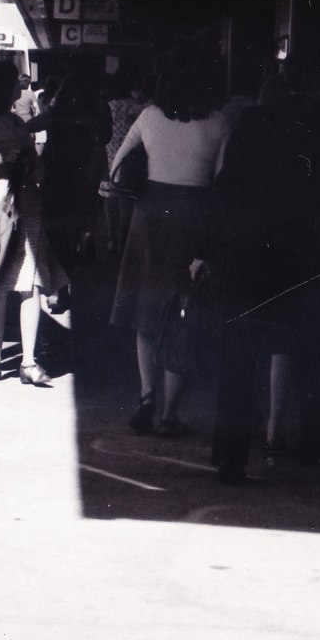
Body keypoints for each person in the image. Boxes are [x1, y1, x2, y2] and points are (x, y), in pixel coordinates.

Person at [206, 74, 320, 484]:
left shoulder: (248, 125)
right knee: (306, 350)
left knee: (237, 356)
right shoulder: (314, 127)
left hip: (247, 254)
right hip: (295, 254)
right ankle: (312, 441)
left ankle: (230, 456)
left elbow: (224, 189)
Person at [108, 65, 230, 437]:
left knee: (146, 310)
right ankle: (169, 416)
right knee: (183, 315)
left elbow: (117, 167)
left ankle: (147, 397)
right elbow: (222, 179)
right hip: (195, 217)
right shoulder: (220, 123)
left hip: (150, 217)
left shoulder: (149, 116)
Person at [0, 59, 66, 387]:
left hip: (27, 206)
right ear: (3, 89)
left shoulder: (19, 124)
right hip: (0, 210)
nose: (20, 88)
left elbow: (37, 166)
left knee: (29, 284)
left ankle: (28, 362)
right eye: (14, 83)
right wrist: (1, 161)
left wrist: (35, 167)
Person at [29, 73, 107, 268]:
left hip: (54, 172)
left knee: (55, 221)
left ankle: (59, 265)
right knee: (80, 214)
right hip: (82, 171)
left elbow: (29, 126)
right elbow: (103, 139)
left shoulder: (55, 113)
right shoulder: (94, 114)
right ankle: (80, 247)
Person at [101, 73, 148, 253]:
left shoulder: (107, 107)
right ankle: (122, 240)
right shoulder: (137, 108)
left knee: (109, 197)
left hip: (109, 155)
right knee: (125, 200)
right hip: (128, 160)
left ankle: (110, 238)